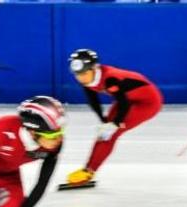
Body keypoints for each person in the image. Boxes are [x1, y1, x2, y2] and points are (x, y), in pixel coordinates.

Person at [65, 49, 163, 187]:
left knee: (109, 134)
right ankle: (87, 169)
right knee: (103, 133)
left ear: (94, 68)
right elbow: (93, 100)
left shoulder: (110, 78)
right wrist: (103, 119)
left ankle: (89, 171)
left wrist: (115, 123)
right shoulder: (88, 77)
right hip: (128, 100)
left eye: (84, 74)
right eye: (77, 75)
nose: (81, 78)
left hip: (147, 103)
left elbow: (124, 103)